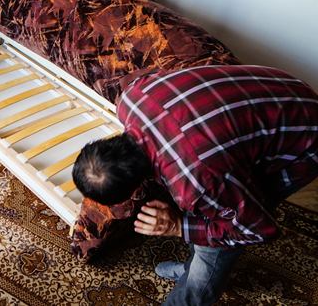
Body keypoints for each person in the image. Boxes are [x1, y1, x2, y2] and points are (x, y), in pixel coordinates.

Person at [73, 65, 318, 306]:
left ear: (135, 191)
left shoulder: (197, 184)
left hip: (306, 137)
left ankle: (194, 288)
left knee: (216, 245)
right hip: (287, 89)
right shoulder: (131, 99)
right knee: (209, 213)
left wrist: (179, 226)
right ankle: (189, 270)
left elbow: (258, 230)